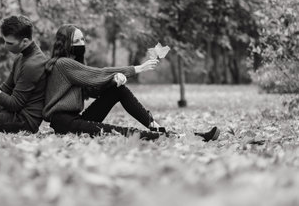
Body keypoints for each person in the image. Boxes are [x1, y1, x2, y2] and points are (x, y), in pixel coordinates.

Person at [43, 24, 220, 141]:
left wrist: (114, 82)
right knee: (117, 131)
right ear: (66, 44)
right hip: (64, 123)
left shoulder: (75, 66)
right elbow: (98, 74)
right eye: (77, 41)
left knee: (119, 90)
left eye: (82, 39)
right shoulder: (63, 64)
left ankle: (156, 126)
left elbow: (92, 90)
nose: (81, 43)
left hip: (76, 119)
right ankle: (176, 136)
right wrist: (137, 69)